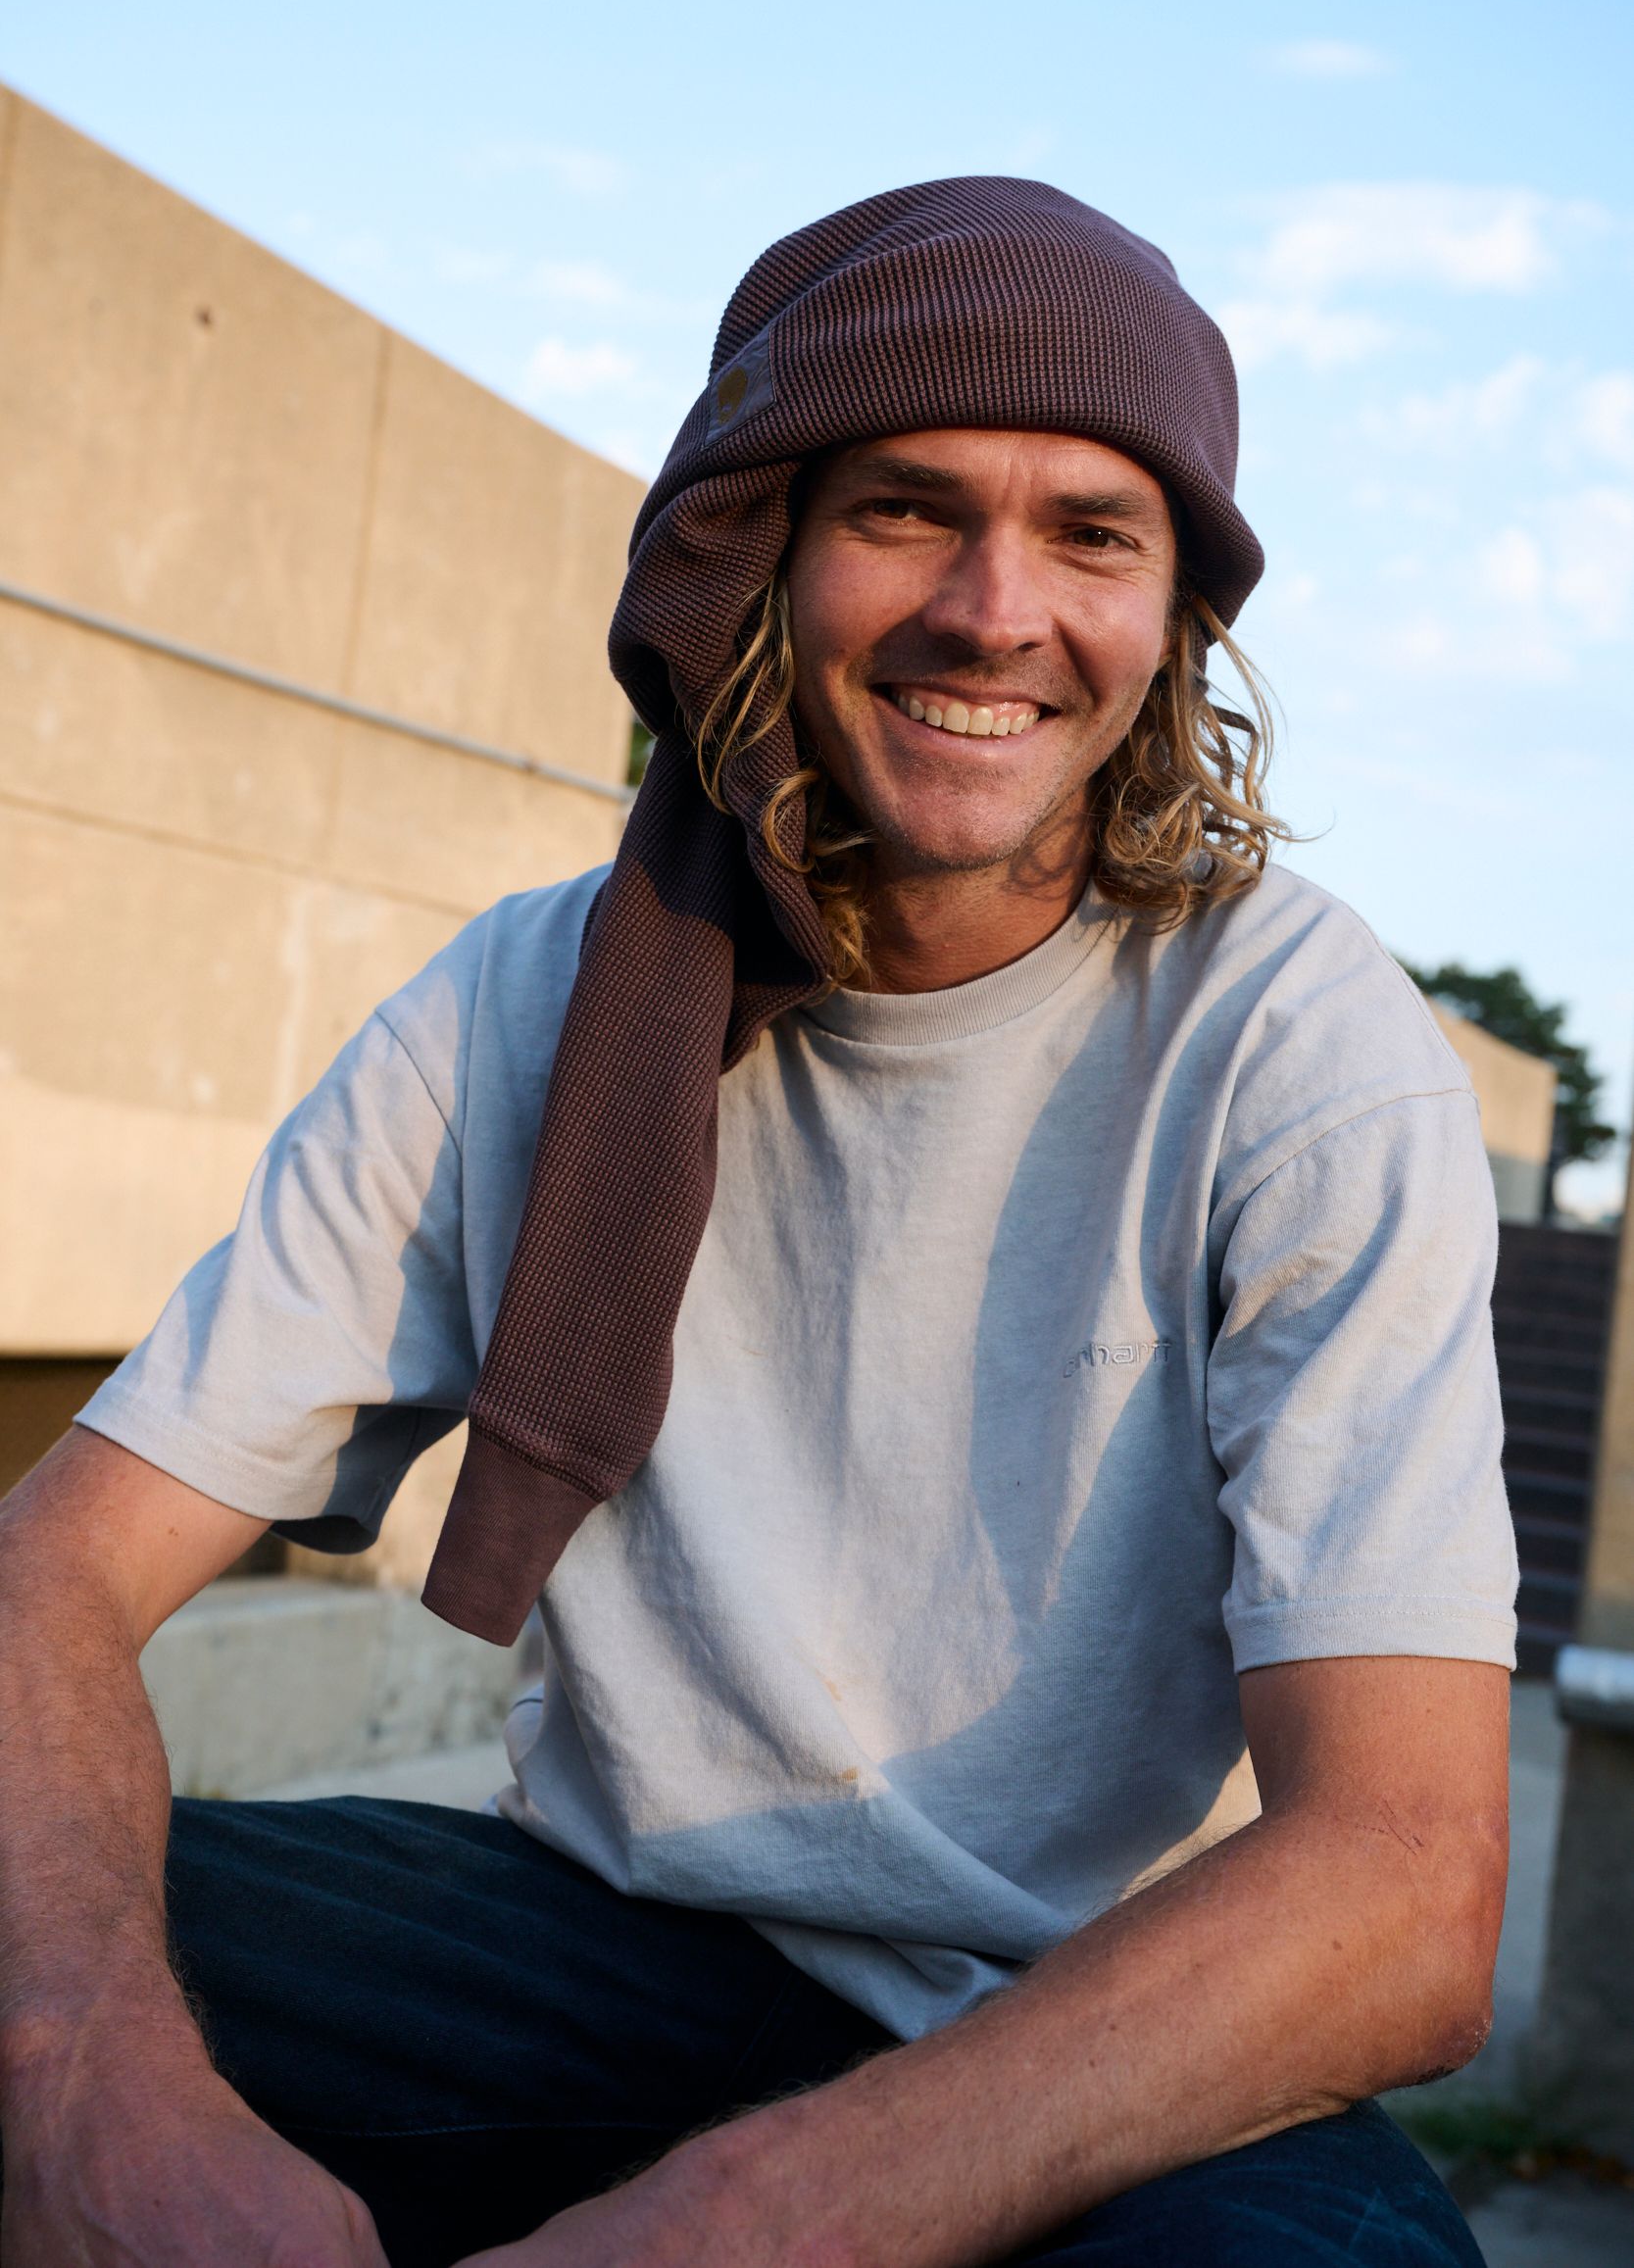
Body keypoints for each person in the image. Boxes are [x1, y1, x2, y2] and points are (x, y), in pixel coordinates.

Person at [0, 179, 1514, 2268]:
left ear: (1173, 618)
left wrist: (725, 2221)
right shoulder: (533, 998)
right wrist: (92, 2079)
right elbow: (50, 1571)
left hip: (1080, 2029)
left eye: (1096, 531)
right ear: (762, 546)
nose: (997, 608)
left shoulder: (1299, 1042)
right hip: (596, 1952)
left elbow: (1407, 1881)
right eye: (907, 507)